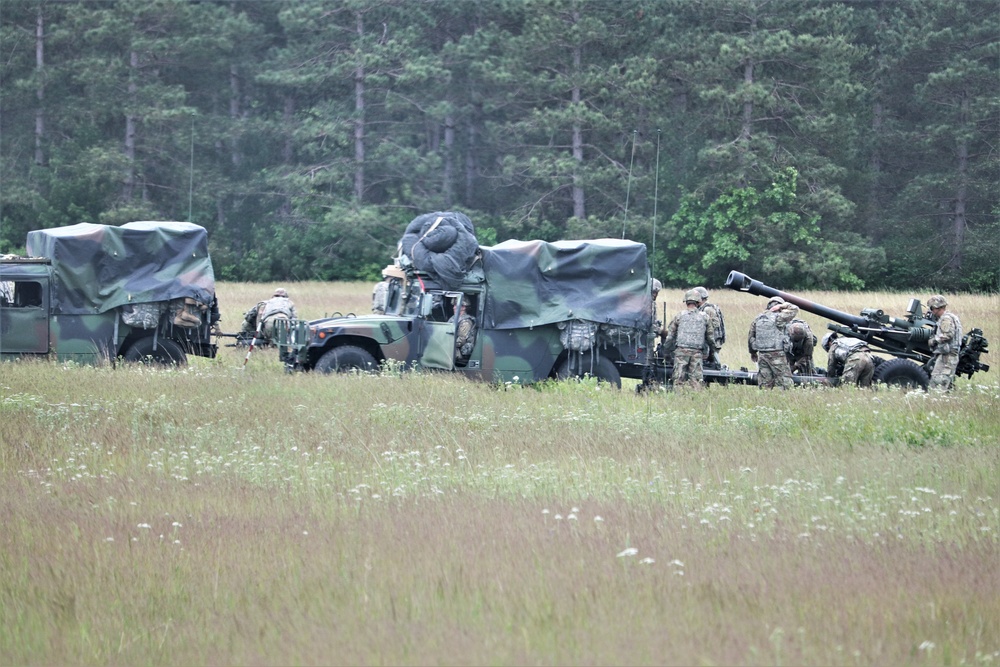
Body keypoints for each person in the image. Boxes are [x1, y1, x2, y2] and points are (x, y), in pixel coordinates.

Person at [661, 289, 709, 388]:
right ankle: (695, 400)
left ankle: (679, 400)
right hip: (697, 352)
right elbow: (710, 338)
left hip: (681, 352)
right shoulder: (705, 317)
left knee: (678, 380)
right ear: (698, 301)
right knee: (696, 381)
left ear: (686, 301)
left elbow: (670, 336)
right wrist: (710, 352)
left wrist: (666, 352)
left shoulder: (680, 316)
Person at [748, 296, 799, 389]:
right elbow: (795, 308)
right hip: (778, 354)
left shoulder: (758, 318)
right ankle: (785, 401)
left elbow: (751, 337)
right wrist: (782, 306)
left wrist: (753, 352)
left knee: (764, 384)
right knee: (785, 383)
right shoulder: (779, 317)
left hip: (762, 355)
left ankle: (765, 401)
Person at [927, 294, 962, 391]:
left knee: (940, 383)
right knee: (935, 381)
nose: (932, 310)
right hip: (945, 354)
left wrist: (934, 340)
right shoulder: (947, 318)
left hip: (949, 356)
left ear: (940, 307)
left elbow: (947, 335)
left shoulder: (946, 319)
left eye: (933, 308)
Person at [692, 286, 725, 367]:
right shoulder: (710, 307)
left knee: (712, 364)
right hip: (711, 342)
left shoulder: (707, 309)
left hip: (711, 343)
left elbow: (711, 328)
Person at [449, 296, 477, 362]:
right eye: (454, 305)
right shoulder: (454, 318)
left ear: (464, 307)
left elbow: (461, 340)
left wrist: (446, 344)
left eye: (456, 305)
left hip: (461, 351)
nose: (454, 307)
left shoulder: (466, 322)